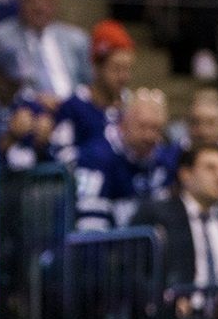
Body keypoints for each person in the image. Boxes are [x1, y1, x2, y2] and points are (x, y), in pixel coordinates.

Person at [130, 143, 218, 297]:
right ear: (185, 174)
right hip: (170, 310)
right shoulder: (156, 215)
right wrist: (166, 301)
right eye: (210, 168)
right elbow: (133, 270)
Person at [73, 88, 171, 230]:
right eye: (143, 127)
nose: (149, 136)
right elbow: (89, 229)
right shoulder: (96, 158)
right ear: (123, 124)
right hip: (110, 239)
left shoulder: (162, 160)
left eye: (156, 129)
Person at [0, 0, 92, 103]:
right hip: (28, 109)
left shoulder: (76, 39)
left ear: (57, 4)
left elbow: (89, 84)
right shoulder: (0, 38)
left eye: (48, 2)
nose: (40, 8)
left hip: (72, 109)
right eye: (34, 0)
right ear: (22, 1)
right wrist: (34, 100)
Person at [51, 19, 136, 157]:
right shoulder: (75, 107)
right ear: (96, 67)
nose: (123, 77)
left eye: (127, 69)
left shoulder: (131, 106)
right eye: (116, 69)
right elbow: (60, 155)